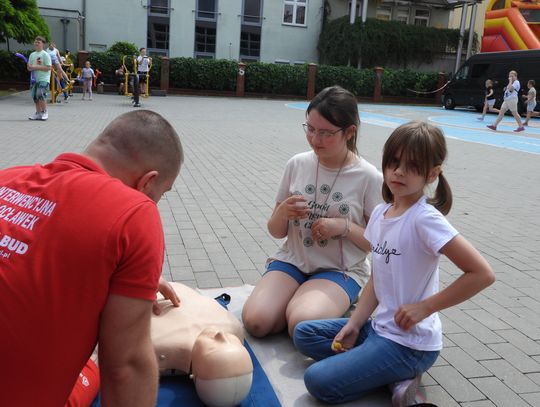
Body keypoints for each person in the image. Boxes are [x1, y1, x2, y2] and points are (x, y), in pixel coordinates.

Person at [293, 121, 495, 407]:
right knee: (304, 334)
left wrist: (425, 307)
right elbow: (378, 278)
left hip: (409, 344)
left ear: (432, 173)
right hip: (379, 328)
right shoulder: (381, 213)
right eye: (394, 162)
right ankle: (390, 375)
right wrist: (355, 323)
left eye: (412, 165)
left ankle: (395, 371)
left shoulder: (425, 219)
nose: (399, 171)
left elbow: (482, 274)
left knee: (317, 380)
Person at [0, 110, 184, 407]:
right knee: (95, 365)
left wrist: (129, 280)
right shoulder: (134, 212)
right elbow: (126, 367)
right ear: (148, 182)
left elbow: (35, 249)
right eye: (162, 193)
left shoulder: (8, 177)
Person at [242, 86, 383, 338]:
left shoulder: (369, 177)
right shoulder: (297, 164)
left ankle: (328, 302)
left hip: (340, 270)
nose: (315, 139)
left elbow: (378, 243)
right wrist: (283, 212)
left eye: (326, 133)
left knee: (301, 322)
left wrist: (344, 227)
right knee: (256, 322)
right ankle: (299, 299)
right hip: (293, 261)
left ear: (350, 132)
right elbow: (276, 231)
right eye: (310, 129)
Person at [66, 282, 253, 407]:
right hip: (155, 288)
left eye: (213, 349)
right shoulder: (232, 327)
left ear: (194, 375)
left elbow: (107, 353)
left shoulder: (161, 346)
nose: (220, 336)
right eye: (231, 342)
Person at [27, 36, 51, 121]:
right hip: (34, 79)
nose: (36, 43)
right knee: (35, 96)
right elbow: (29, 67)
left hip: (44, 79)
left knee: (40, 94)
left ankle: (45, 112)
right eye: (35, 42)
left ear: (42, 44)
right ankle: (38, 113)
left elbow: (49, 67)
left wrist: (36, 67)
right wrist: (30, 67)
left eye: (38, 42)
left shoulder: (45, 54)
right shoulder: (32, 55)